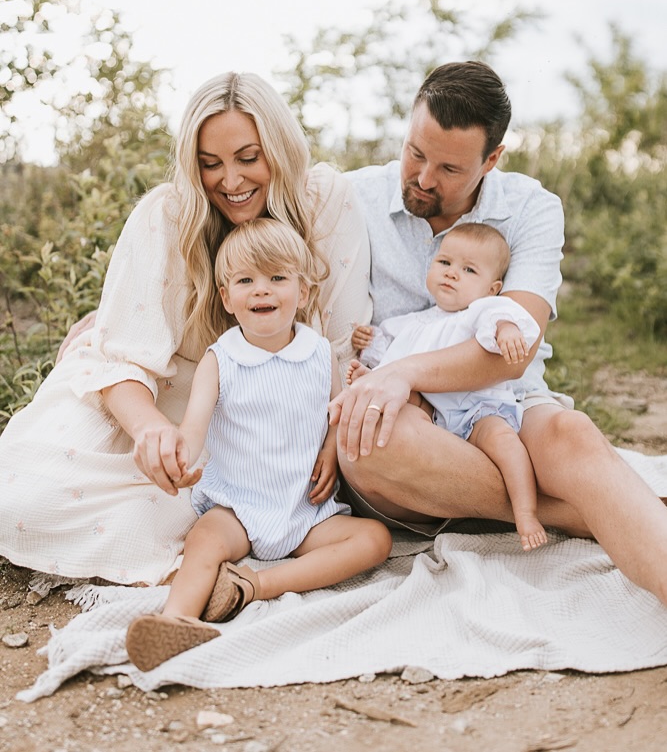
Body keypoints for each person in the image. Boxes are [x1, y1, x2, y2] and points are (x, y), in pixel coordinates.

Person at [0, 72, 372, 586]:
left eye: (248, 157)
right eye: (210, 164)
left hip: (288, 405)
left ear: (280, 150)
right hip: (171, 391)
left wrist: (324, 441)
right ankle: (208, 555)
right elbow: (124, 356)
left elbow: (341, 345)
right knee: (23, 493)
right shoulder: (168, 213)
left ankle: (230, 560)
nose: (231, 181)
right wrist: (150, 429)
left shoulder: (326, 200)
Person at [331, 60, 667, 607]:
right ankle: (578, 513)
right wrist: (388, 382)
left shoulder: (533, 208)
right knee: (366, 438)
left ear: (491, 160)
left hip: (499, 400)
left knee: (573, 434)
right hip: (407, 424)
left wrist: (402, 372)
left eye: (448, 168)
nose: (422, 178)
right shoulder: (350, 199)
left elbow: (514, 353)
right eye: (415, 153)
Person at [125, 219, 391, 671]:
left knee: (374, 539)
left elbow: (332, 414)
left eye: (277, 278)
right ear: (227, 298)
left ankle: (253, 585)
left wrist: (329, 450)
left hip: (306, 511)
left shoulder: (320, 351)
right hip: (238, 508)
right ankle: (176, 621)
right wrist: (181, 459)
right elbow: (193, 429)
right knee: (204, 538)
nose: (261, 291)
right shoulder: (220, 359)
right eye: (246, 280)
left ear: (303, 292)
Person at [348, 222, 547, 552]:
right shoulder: (412, 321)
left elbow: (502, 318)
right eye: (445, 263)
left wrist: (508, 330)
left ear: (491, 288)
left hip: (477, 409)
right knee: (400, 404)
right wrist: (366, 356)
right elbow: (391, 361)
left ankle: (525, 512)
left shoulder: (478, 312)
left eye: (469, 269)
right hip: (434, 418)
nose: (452, 273)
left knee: (505, 443)